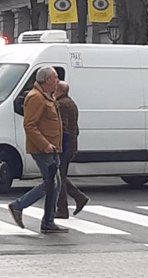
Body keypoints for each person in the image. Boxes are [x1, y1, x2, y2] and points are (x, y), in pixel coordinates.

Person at [7, 66, 67, 234]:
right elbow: (30, 125)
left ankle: (48, 221)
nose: (57, 81)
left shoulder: (47, 96)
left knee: (55, 183)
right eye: (55, 78)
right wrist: (45, 144)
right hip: (43, 149)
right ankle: (19, 205)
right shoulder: (36, 98)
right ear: (47, 80)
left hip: (52, 148)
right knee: (51, 183)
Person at [55, 81, 89, 218]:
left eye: (56, 88)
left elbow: (63, 127)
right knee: (60, 176)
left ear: (60, 91)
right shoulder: (71, 103)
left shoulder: (61, 104)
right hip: (71, 145)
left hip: (65, 146)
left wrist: (59, 144)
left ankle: (63, 209)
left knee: (59, 178)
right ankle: (79, 198)